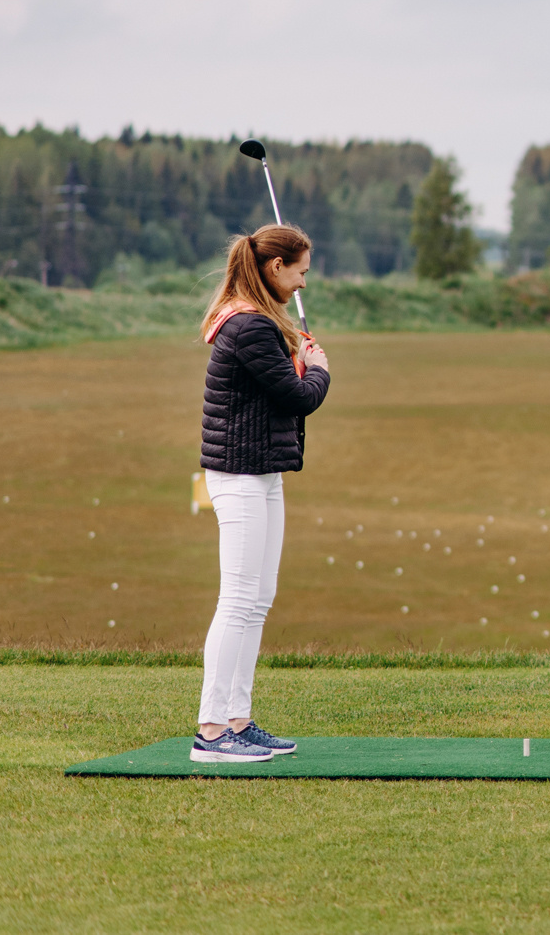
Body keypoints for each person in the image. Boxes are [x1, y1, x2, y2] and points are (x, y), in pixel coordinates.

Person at [191, 225, 330, 763]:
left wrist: (297, 349)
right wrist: (318, 369)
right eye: (300, 272)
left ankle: (238, 720)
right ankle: (210, 731)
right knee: (238, 600)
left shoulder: (261, 321)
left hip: (262, 472)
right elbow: (297, 397)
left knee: (258, 599)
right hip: (240, 475)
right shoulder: (249, 325)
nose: (302, 284)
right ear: (276, 268)